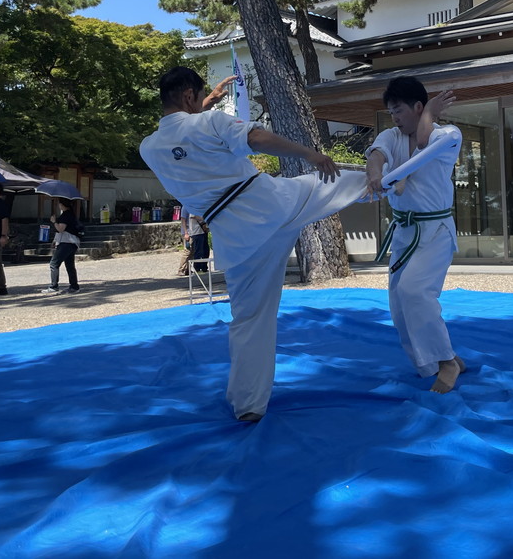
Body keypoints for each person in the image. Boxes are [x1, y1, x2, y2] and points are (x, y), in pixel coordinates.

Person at [139, 67, 365, 423]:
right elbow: (256, 138)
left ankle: (248, 405)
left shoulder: (149, 147)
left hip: (233, 234)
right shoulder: (210, 122)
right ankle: (389, 184)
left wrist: (202, 106)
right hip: (268, 204)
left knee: (250, 320)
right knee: (330, 183)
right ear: (189, 97)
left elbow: (186, 144)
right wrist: (310, 153)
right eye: (198, 98)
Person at [365, 77, 464, 394]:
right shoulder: (391, 135)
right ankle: (431, 364)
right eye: (391, 111)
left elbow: (423, 143)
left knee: (415, 292)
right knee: (398, 305)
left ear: (419, 107)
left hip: (435, 231)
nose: (394, 117)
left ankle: (446, 361)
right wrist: (376, 175)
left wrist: (430, 114)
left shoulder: (448, 135)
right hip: (404, 232)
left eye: (399, 110)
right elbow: (376, 155)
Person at [42, 198, 81, 294]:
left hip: (66, 242)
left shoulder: (66, 215)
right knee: (69, 265)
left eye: (59, 203)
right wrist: (55, 240)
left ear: (63, 204)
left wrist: (54, 221)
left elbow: (60, 229)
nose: (58, 205)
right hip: (72, 242)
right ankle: (74, 286)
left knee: (54, 263)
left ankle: (54, 285)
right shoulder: (70, 214)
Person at [181, 209, 209, 275]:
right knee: (198, 251)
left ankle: (204, 267)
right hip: (196, 232)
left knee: (205, 250)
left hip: (203, 231)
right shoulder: (191, 206)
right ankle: (197, 268)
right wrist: (204, 220)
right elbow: (194, 216)